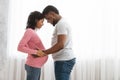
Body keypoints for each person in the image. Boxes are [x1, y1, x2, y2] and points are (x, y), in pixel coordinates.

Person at [40, 5, 76, 80]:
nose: (48, 22)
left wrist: (44, 52)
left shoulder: (61, 24)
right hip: (64, 59)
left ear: (52, 14)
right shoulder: (62, 23)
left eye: (47, 18)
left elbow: (60, 44)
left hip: (63, 60)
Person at [17, 11, 48, 80]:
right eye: (42, 21)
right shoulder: (29, 31)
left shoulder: (32, 32)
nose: (43, 24)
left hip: (36, 66)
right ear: (36, 20)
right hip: (33, 66)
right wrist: (36, 52)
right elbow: (20, 47)